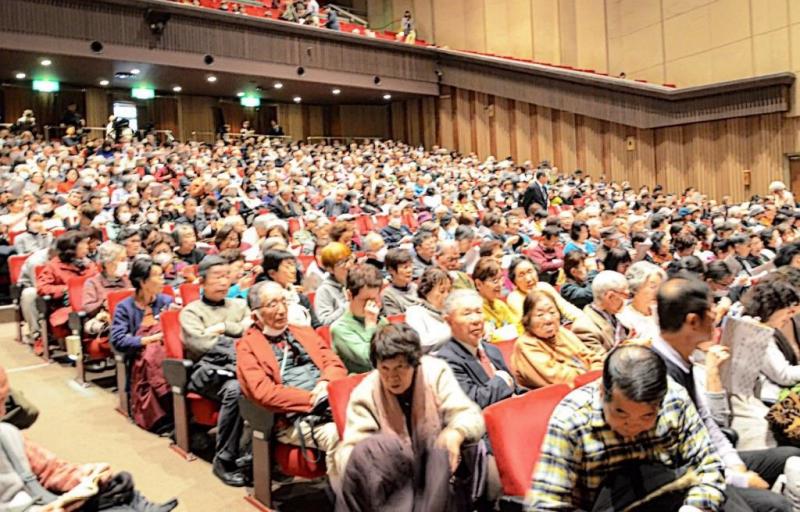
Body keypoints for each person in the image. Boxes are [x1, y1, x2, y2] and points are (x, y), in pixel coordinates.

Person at [654, 277, 799, 512]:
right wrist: (737, 477)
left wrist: (733, 462)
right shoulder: (657, 375)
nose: (718, 317)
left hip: (712, 457)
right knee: (776, 505)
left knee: (790, 454)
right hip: (687, 478)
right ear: (692, 321)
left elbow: (710, 425)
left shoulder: (684, 359)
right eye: (712, 311)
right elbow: (680, 456)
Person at [529, 345, 727, 511]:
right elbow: (545, 504)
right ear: (601, 392)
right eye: (620, 413)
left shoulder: (674, 399)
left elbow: (708, 466)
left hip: (672, 498)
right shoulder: (571, 419)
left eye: (647, 416)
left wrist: (693, 508)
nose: (633, 425)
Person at [335, 323, 485, 509]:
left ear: (415, 363)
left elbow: (470, 416)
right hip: (390, 485)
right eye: (385, 369)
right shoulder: (365, 393)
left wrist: (456, 432)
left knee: (444, 452)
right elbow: (351, 454)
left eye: (400, 367)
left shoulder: (435, 372)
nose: (392, 377)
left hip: (432, 470)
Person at [0, 365, 179, 512]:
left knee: (116, 486)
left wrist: (88, 476)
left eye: (3, 402)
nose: (5, 411)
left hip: (42, 501)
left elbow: (51, 469)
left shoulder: (8, 433)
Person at [237, 281, 346, 474]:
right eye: (272, 304)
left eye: (284, 302)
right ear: (256, 315)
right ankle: (348, 500)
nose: (281, 310)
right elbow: (264, 393)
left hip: (330, 402)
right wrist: (312, 399)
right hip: (294, 418)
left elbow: (335, 364)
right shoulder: (247, 347)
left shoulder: (302, 332)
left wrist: (325, 382)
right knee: (340, 436)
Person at [179, 255, 251, 486]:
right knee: (237, 389)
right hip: (208, 373)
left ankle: (253, 454)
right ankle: (224, 460)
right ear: (201, 282)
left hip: (240, 366)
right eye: (217, 277)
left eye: (226, 276)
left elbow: (252, 330)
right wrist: (237, 340)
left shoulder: (239, 305)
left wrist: (224, 328)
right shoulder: (191, 312)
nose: (223, 282)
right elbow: (200, 345)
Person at [109, 258, 174, 432]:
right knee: (151, 355)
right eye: (157, 276)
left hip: (166, 351)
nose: (163, 280)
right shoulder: (125, 308)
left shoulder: (167, 301)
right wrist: (149, 340)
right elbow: (118, 340)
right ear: (142, 281)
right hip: (139, 354)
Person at [437, 289, 522, 410]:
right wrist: (501, 380)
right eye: (467, 314)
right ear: (448, 321)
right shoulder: (445, 360)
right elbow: (471, 403)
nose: (476, 320)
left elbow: (516, 389)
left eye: (479, 312)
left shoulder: (492, 350)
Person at [511, 289, 603, 388]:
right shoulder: (526, 344)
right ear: (527, 319)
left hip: (592, 384)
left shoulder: (562, 332)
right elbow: (561, 379)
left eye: (552, 312)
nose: (548, 319)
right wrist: (591, 375)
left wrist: (597, 373)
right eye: (540, 315)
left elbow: (592, 357)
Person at [331, 263, 387, 373]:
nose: (371, 306)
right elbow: (371, 359)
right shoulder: (339, 329)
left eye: (374, 299)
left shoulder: (382, 321)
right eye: (365, 300)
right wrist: (370, 324)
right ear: (349, 295)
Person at [505, 255, 583, 323]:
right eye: (521, 275)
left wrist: (584, 319)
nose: (528, 279)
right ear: (514, 281)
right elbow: (528, 324)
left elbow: (566, 307)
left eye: (530, 271)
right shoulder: (514, 298)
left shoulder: (544, 286)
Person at [570, 270, 630, 355]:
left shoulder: (613, 312)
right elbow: (601, 364)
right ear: (610, 296)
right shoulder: (584, 328)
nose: (626, 301)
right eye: (625, 295)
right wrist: (631, 347)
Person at [82, 241, 131, 337]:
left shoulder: (127, 280)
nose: (125, 263)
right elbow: (87, 308)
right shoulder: (93, 283)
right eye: (122, 260)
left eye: (126, 259)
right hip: (108, 323)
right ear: (108, 263)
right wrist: (104, 303)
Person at [261, 248, 318, 327]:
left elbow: (316, 325)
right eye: (287, 267)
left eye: (293, 265)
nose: (293, 270)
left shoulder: (300, 297)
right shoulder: (264, 300)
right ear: (272, 273)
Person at [472, 257, 522, 343]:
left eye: (501, 278)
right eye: (494, 281)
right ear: (478, 284)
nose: (500, 284)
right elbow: (486, 338)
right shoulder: (474, 309)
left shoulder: (500, 305)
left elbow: (519, 326)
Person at [405, 267, 452, 352]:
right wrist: (454, 330)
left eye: (449, 291)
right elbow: (422, 343)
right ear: (426, 290)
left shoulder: (450, 311)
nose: (446, 295)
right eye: (442, 291)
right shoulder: (415, 312)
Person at [617, 261, 666, 343]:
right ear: (636, 288)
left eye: (660, 287)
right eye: (653, 287)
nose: (658, 292)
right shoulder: (623, 318)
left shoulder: (663, 311)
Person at [314, 242, 353, 326]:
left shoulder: (355, 280)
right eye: (342, 263)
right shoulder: (324, 290)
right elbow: (325, 322)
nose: (348, 265)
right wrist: (349, 305)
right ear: (330, 269)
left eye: (348, 259)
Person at [381, 248, 420, 316]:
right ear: (391, 270)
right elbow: (397, 322)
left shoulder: (416, 288)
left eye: (410, 266)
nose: (409, 270)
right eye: (405, 267)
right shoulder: (387, 295)